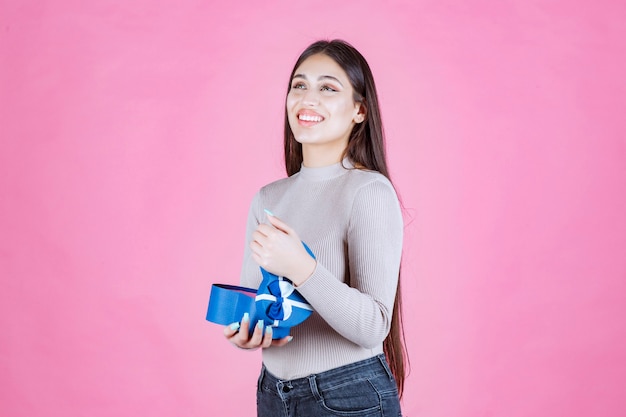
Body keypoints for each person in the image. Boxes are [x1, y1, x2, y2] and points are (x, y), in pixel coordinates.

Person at [223, 39, 407, 417]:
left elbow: (374, 326)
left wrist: (302, 268)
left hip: (348, 395)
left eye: (328, 87)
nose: (308, 97)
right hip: (273, 392)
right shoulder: (267, 198)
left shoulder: (368, 191)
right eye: (299, 85)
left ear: (359, 110)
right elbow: (256, 300)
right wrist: (247, 332)